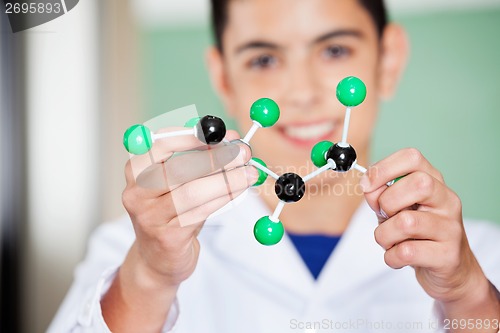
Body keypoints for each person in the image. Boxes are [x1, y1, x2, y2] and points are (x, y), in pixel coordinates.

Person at [48, 0, 500, 332]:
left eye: (335, 50)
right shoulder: (128, 250)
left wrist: (468, 296)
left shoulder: (481, 256)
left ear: (389, 59)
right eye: (263, 59)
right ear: (223, 76)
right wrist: (148, 276)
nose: (300, 93)